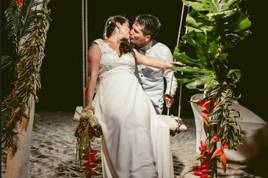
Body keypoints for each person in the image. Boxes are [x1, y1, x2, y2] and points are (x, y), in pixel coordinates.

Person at [85, 15, 174, 178]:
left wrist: (171, 65)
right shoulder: (98, 46)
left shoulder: (128, 49)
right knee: (122, 121)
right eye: (128, 27)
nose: (131, 31)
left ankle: (145, 171)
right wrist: (88, 105)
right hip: (111, 93)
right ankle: (125, 170)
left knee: (146, 124)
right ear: (118, 27)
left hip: (134, 94)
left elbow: (149, 60)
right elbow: (92, 78)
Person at [130, 14, 178, 114]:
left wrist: (169, 93)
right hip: (131, 100)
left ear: (147, 37)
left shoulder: (163, 51)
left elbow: (170, 76)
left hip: (153, 101)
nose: (131, 33)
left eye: (135, 31)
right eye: (132, 28)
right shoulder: (127, 47)